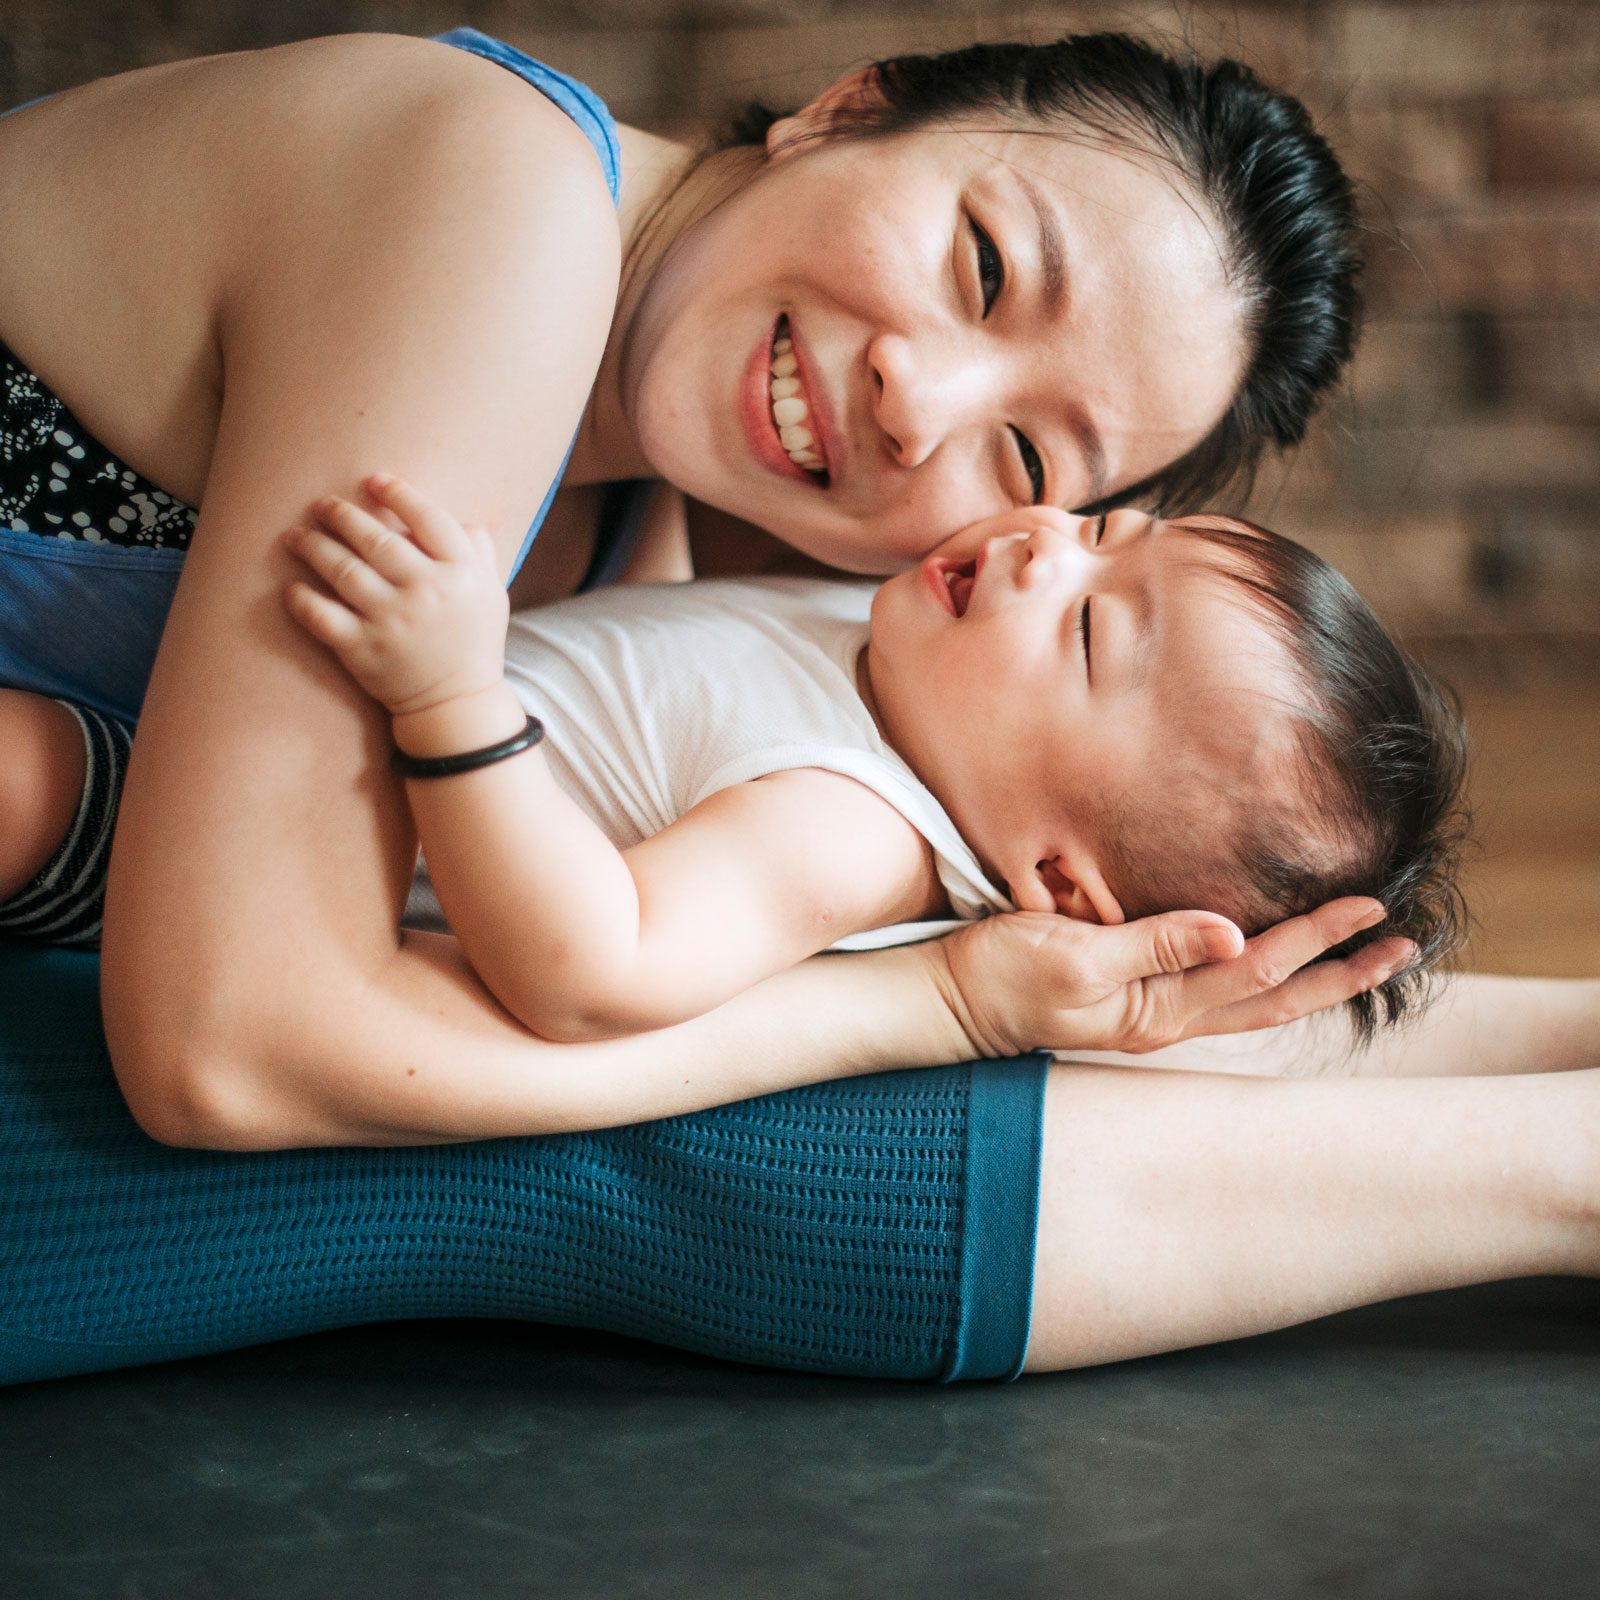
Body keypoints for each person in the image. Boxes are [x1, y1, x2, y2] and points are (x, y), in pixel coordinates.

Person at [0, 28, 1592, 1389]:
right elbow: (232, 1051)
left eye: (1037, 464)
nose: (924, 407)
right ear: (851, 104)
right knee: (773, 1110)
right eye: (982, 267)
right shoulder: (497, 204)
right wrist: (945, 1000)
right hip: (121, 926)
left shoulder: (661, 526)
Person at [263, 477, 1461, 1048]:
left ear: (1053, 881)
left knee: (64, 781)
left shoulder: (853, 823)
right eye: (1106, 532)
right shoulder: (913, 654)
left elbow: (591, 967)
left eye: (1089, 631)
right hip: (296, 726)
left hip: (286, 848)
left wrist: (448, 695)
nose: (1045, 546)